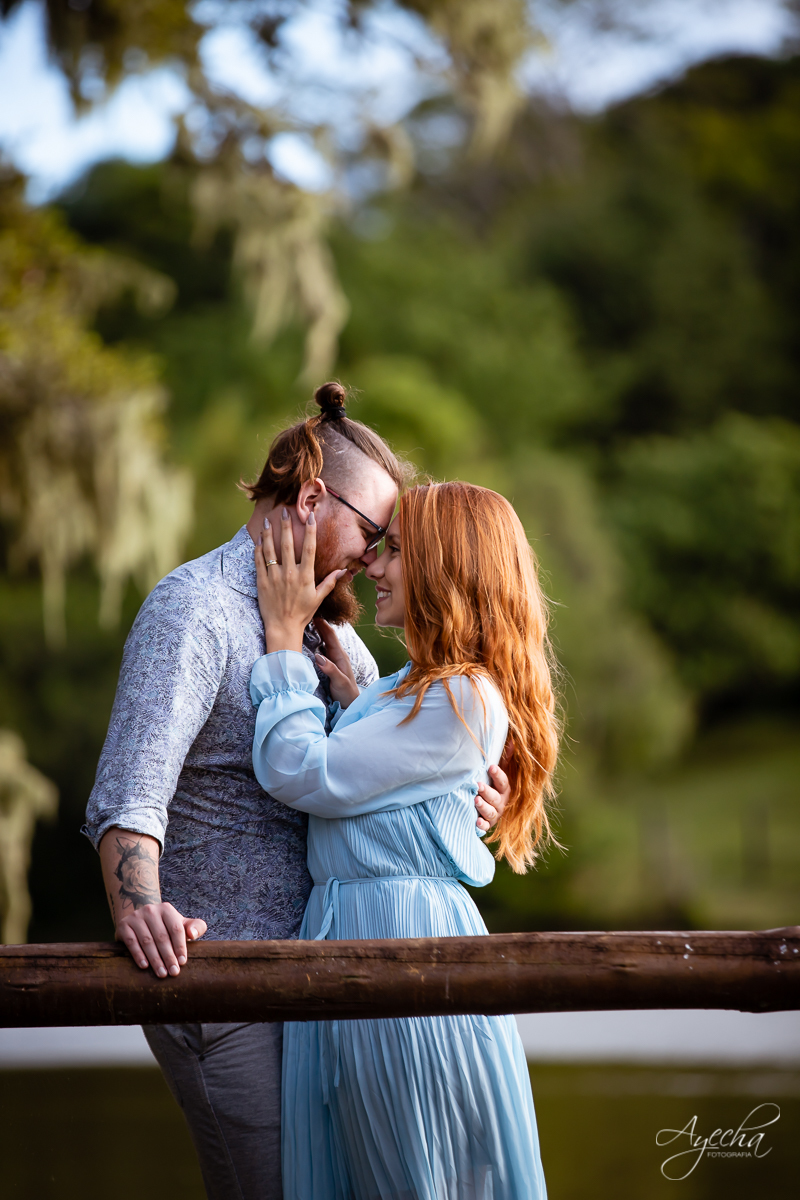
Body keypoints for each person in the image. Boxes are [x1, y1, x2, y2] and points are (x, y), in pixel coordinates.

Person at [82, 383, 510, 1200]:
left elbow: (383, 778)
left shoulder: (343, 637)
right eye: (371, 532)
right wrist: (137, 908)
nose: (375, 555)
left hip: (334, 994)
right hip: (224, 987)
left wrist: (462, 799)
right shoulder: (192, 613)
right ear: (312, 497)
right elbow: (129, 793)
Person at [249, 478, 560, 1200]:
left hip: (401, 945)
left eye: (395, 551)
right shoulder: (418, 690)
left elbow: (302, 771)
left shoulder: (459, 695)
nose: (374, 566)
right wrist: (362, 711)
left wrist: (280, 645)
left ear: (445, 568)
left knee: (413, 1176)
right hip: (358, 933)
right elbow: (390, 790)